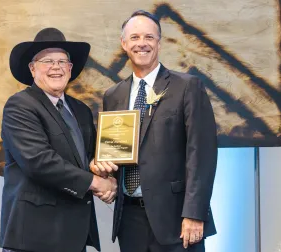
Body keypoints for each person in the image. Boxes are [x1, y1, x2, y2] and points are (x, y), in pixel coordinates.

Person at [91, 10, 218, 252]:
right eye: (135, 37)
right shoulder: (113, 95)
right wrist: (102, 166)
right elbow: (116, 151)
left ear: (159, 43)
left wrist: (194, 213)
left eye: (149, 37)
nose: (142, 44)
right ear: (124, 44)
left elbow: (202, 155)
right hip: (129, 219)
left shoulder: (187, 86)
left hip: (177, 220)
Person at [0, 27, 117, 252]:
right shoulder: (20, 106)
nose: (56, 67)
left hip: (74, 234)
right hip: (35, 235)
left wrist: (105, 173)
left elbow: (90, 157)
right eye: (47, 61)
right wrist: (96, 183)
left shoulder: (80, 110)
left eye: (62, 61)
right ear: (32, 69)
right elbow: (38, 161)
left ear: (71, 69)